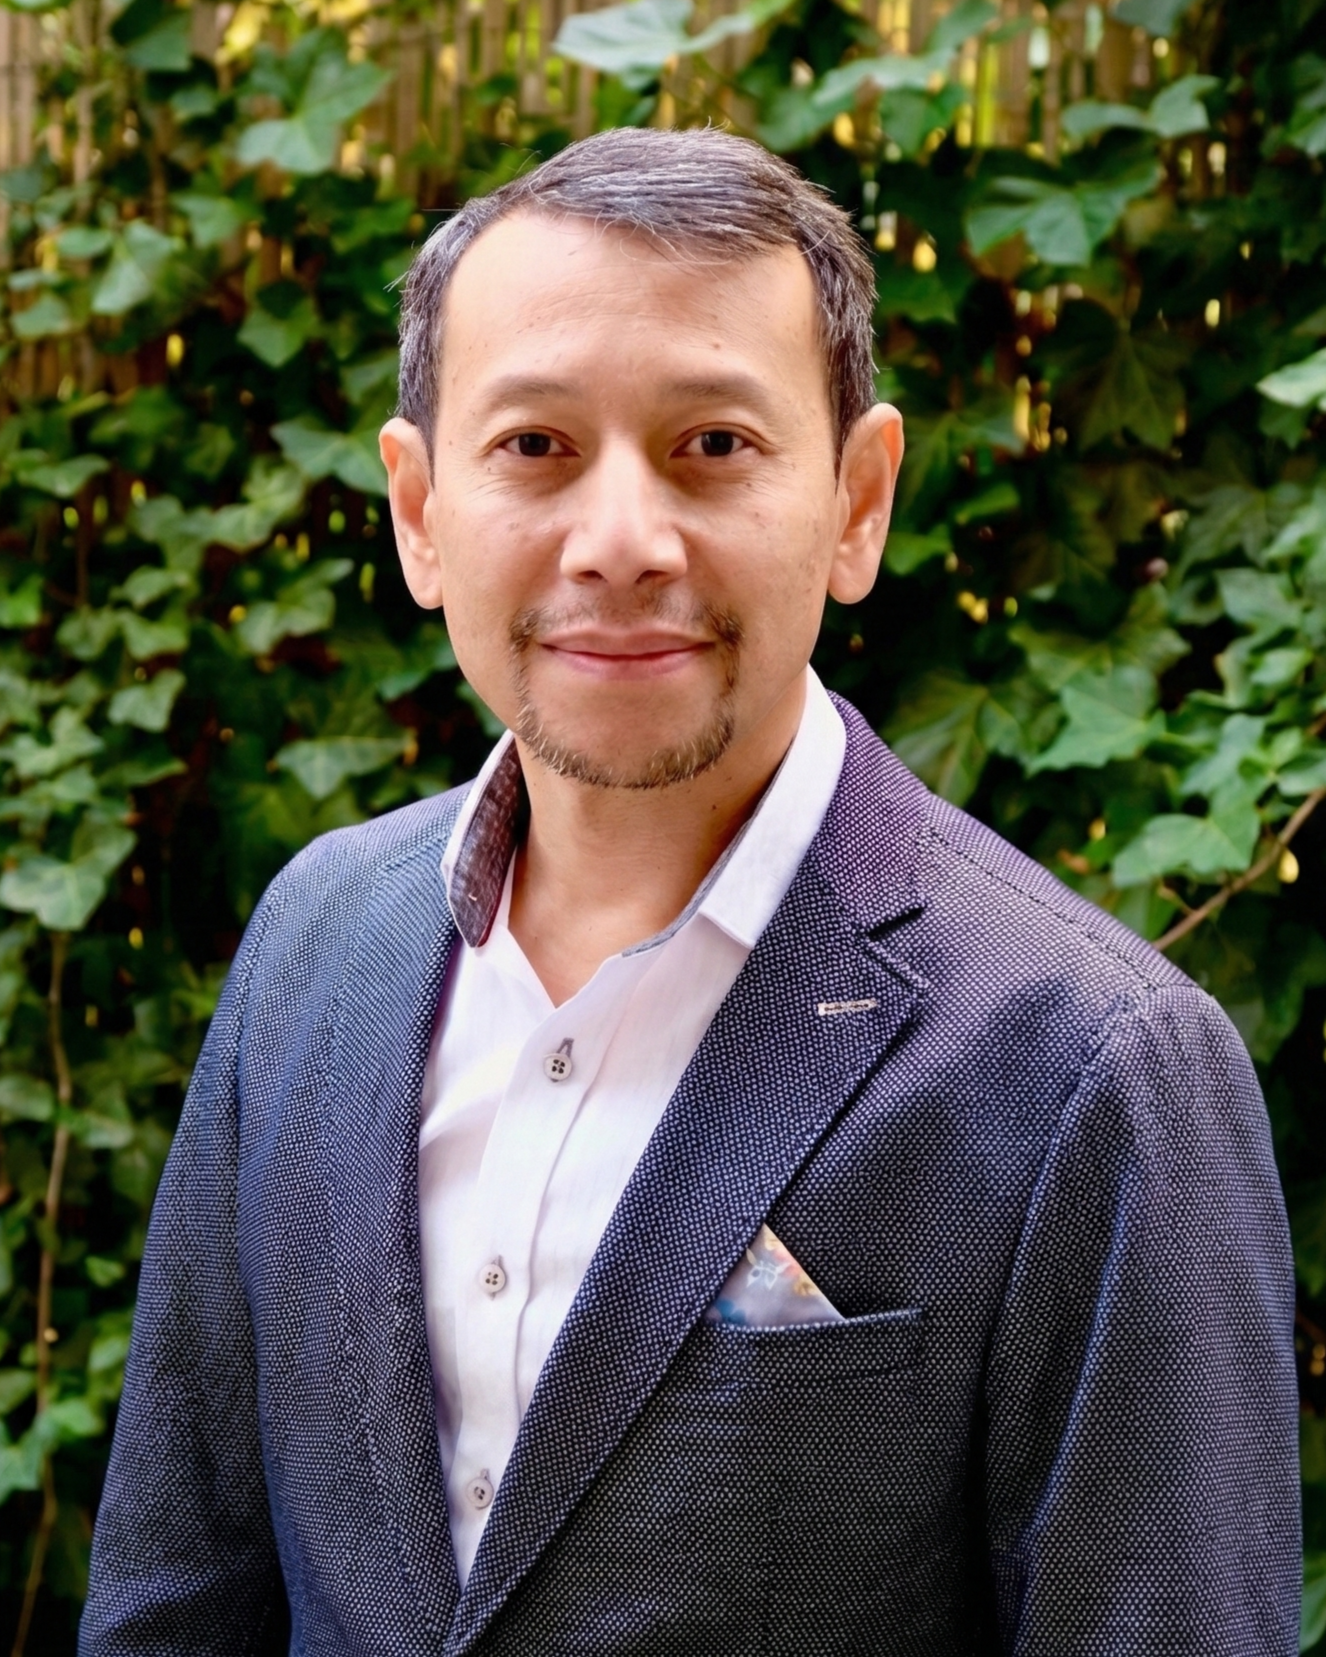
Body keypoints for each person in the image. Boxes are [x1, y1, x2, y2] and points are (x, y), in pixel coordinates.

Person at [81, 126, 1300, 1656]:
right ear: (416, 507)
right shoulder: (311, 944)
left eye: (712, 446)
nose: (621, 544)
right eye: (533, 447)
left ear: (857, 502)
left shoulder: (1092, 1068)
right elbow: (174, 1601)